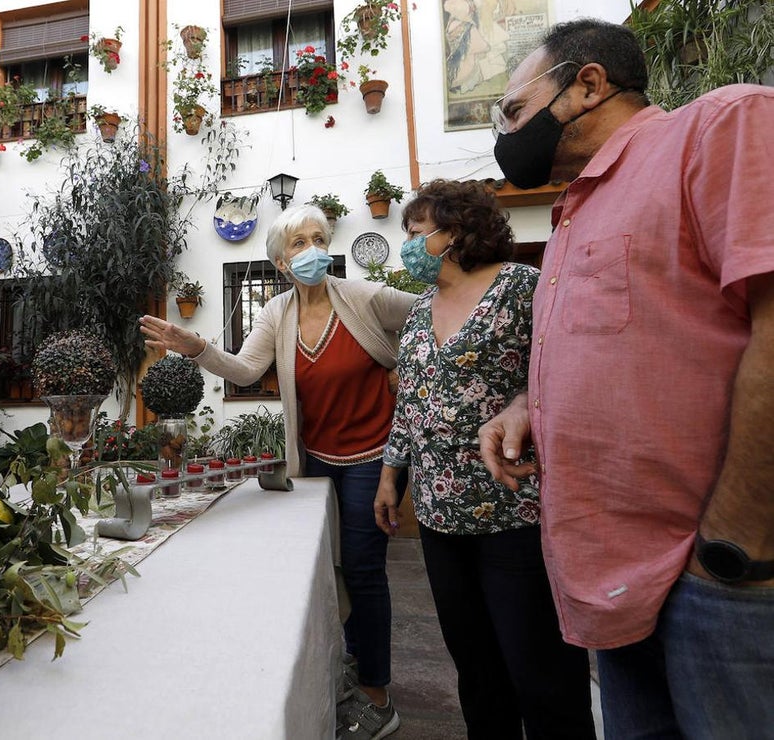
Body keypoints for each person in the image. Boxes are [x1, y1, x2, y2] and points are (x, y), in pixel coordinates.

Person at [479, 18, 774, 737]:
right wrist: (528, 404)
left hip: (715, 579)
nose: (506, 134)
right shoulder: (577, 207)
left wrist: (732, 545)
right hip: (612, 584)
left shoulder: (718, 126)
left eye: (513, 111)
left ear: (587, 85)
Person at [139, 204, 416, 738]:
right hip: (313, 458)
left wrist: (408, 370)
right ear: (281, 263)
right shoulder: (277, 312)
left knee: (362, 568)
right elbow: (245, 368)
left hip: (371, 459)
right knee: (326, 568)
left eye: (318, 238)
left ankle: (378, 696)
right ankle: (348, 663)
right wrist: (196, 347)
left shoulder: (363, 298)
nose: (312, 249)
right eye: (298, 243)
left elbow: (431, 315)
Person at [372, 179, 594, 739]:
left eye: (418, 232)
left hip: (513, 513)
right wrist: (389, 476)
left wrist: (523, 405)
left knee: (540, 669)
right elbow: (410, 405)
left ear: (456, 231)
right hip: (440, 519)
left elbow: (561, 372)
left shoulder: (522, 286)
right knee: (474, 669)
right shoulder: (420, 311)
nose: (410, 245)